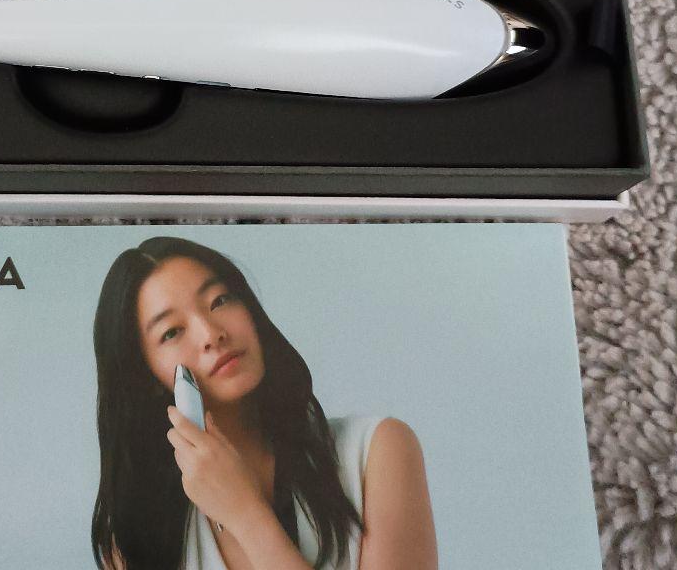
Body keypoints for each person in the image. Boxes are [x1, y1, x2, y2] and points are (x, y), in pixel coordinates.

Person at [91, 237, 436, 570]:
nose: (211, 334)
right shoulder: (134, 538)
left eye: (219, 301)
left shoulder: (376, 452)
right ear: (146, 376)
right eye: (171, 332)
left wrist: (245, 514)